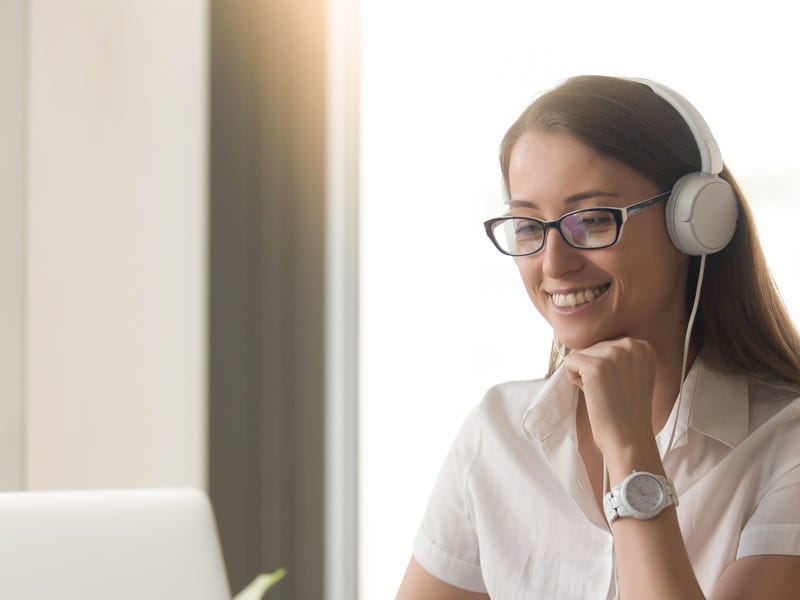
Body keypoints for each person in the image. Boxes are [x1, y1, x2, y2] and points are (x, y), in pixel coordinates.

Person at [395, 75, 800, 599]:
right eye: (526, 226)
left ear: (693, 225)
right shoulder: (495, 435)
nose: (554, 263)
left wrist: (633, 454)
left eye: (590, 220)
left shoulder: (785, 447)